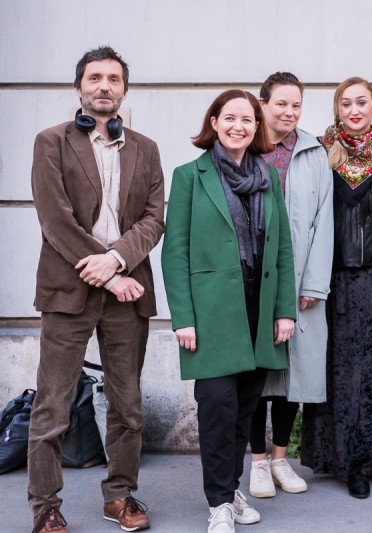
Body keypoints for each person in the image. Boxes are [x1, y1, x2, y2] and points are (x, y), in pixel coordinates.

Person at [28, 45, 163, 533]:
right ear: (79, 87)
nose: (104, 86)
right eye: (94, 78)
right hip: (70, 289)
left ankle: (121, 495)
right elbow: (55, 219)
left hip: (128, 292)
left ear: (124, 89)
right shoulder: (51, 142)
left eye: (113, 79)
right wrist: (111, 272)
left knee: (128, 406)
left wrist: (118, 259)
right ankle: (45, 505)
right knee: (53, 406)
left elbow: (154, 219)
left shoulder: (146, 148)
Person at [161, 89, 296, 533]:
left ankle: (230, 490)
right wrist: (182, 316)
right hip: (213, 311)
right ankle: (218, 502)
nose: (240, 126)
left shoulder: (268, 176)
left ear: (257, 129)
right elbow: (174, 251)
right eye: (231, 118)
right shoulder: (189, 175)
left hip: (259, 310)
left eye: (248, 120)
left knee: (243, 409)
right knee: (216, 405)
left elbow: (283, 250)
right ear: (214, 123)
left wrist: (284, 311)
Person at [301, 77, 372, 499]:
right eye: (347, 103)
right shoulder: (321, 149)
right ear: (337, 109)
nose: (355, 109)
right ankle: (330, 456)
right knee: (329, 368)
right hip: (327, 275)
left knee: (368, 371)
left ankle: (363, 461)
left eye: (362, 102)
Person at [247, 72, 333, 498]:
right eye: (281, 103)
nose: (289, 112)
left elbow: (323, 219)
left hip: (298, 279)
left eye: (296, 104)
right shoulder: (245, 145)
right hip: (252, 280)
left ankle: (281, 459)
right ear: (263, 104)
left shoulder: (314, 151)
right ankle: (258, 462)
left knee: (290, 374)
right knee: (254, 374)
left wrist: (315, 282)